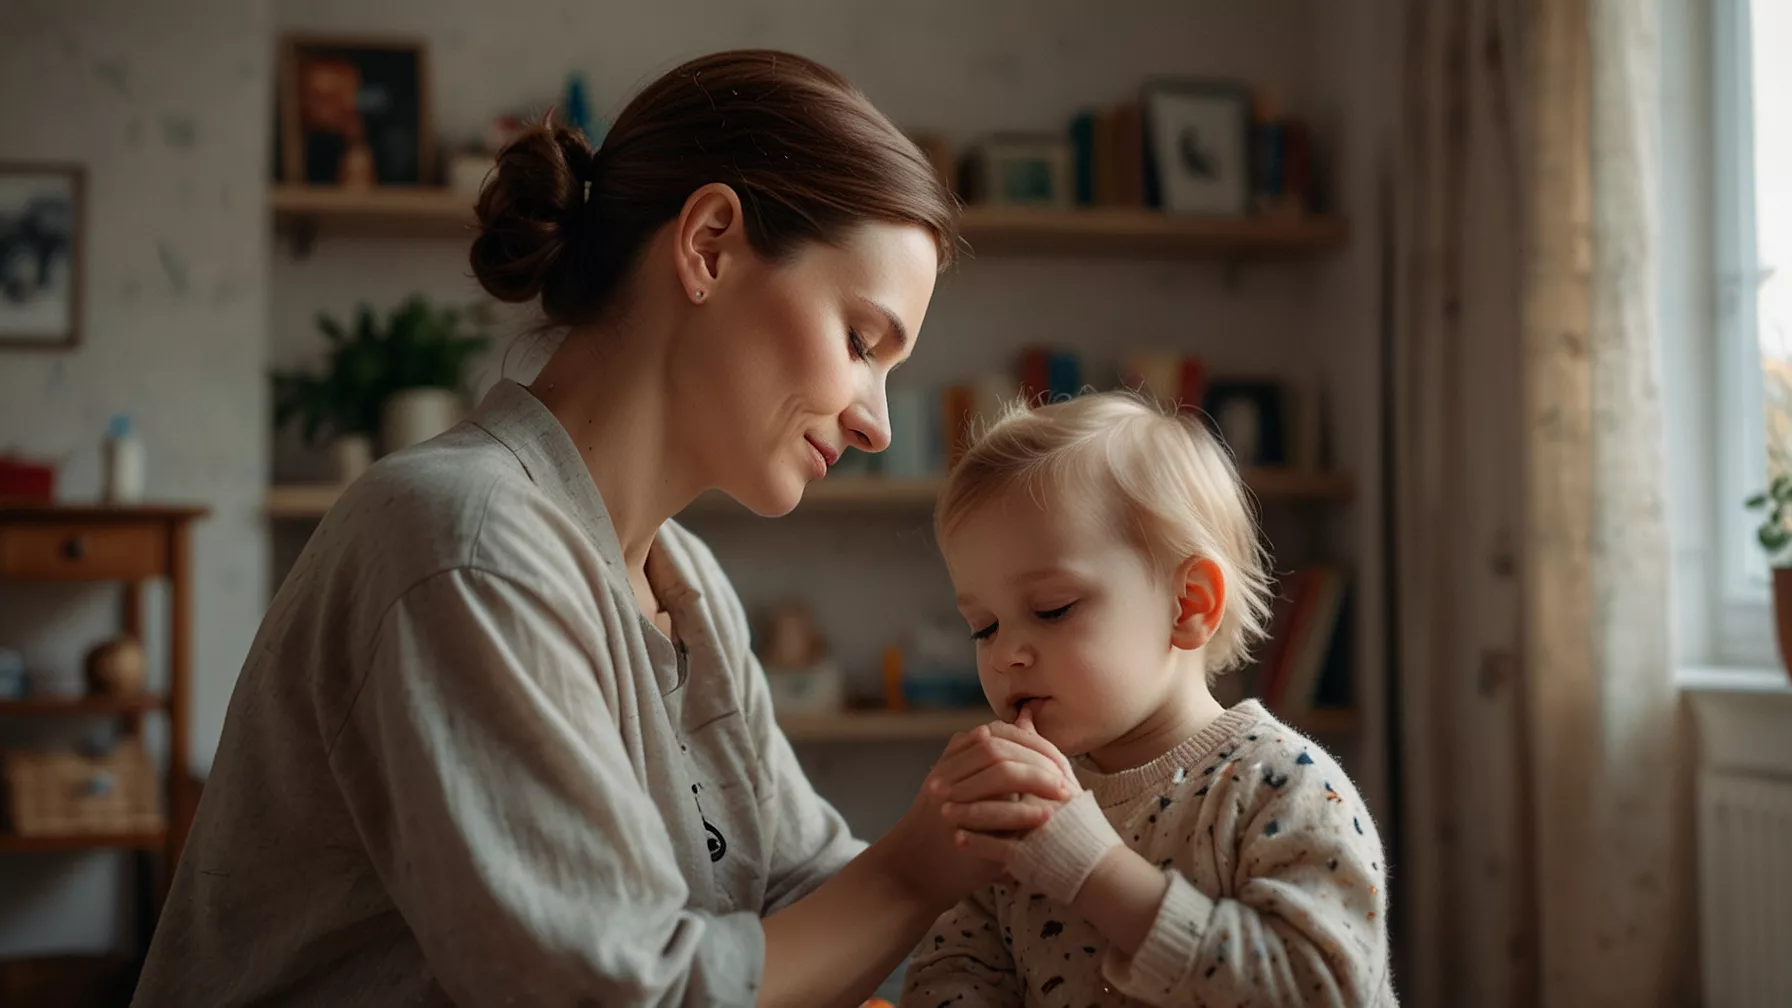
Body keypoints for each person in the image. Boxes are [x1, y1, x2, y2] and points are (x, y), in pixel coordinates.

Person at [134, 49, 1075, 1007]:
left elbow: (798, 888)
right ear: (708, 245)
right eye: (861, 342)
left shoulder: (685, 583)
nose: (877, 419)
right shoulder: (464, 541)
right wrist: (916, 868)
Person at [900, 393, 1398, 1006]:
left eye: (1052, 609)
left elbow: (1318, 992)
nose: (1005, 655)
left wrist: (1091, 870)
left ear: (1188, 606)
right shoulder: (1020, 811)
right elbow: (950, 972)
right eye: (984, 627)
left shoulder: (1284, 787)